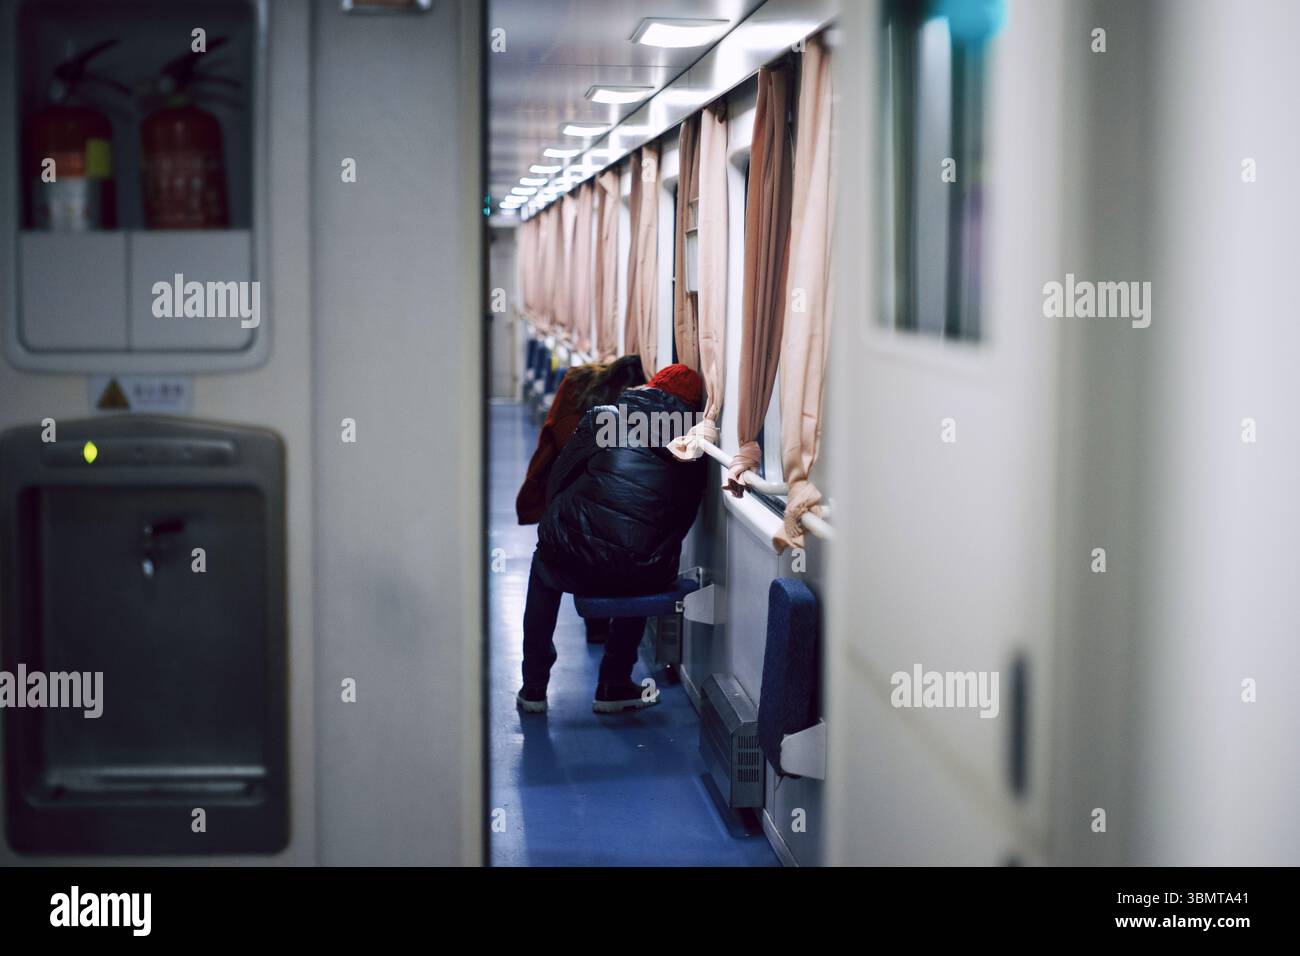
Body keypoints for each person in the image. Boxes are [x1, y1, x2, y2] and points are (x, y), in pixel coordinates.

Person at [517, 363, 707, 714]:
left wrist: (562, 520)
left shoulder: (604, 417)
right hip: (640, 568)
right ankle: (614, 684)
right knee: (644, 560)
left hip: (571, 553)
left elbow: (560, 475)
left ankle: (533, 688)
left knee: (545, 564)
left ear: (650, 388)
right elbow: (682, 518)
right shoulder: (695, 448)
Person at [516, 355, 646, 643]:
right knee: (630, 563)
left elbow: (560, 451)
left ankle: (533, 686)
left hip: (568, 501)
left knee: (547, 567)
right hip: (610, 520)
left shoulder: (578, 383)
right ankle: (613, 674)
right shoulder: (639, 423)